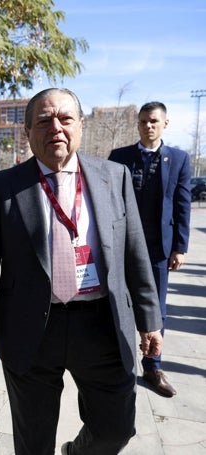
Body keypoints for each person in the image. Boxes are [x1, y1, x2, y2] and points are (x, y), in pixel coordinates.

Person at [0, 88, 164, 455]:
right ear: (27, 132)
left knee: (115, 429)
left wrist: (149, 319)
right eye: (43, 120)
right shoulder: (3, 187)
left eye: (65, 118)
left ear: (80, 126)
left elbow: (135, 252)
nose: (55, 127)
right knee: (33, 441)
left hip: (102, 326)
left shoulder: (114, 177)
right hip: (30, 330)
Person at [109, 101, 191, 398]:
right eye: (143, 121)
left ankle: (152, 365)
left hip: (158, 249)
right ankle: (118, 361)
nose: (148, 126)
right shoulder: (119, 157)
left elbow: (182, 204)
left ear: (165, 124)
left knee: (156, 309)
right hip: (120, 246)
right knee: (117, 305)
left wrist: (179, 247)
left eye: (154, 121)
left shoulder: (179, 159)